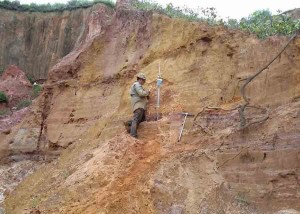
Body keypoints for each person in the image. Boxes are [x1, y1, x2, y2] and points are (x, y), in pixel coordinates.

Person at [125, 73, 150, 138]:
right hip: (139, 105)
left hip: (141, 106)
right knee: (136, 120)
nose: (144, 82)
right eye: (143, 80)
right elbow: (141, 93)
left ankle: (130, 126)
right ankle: (133, 135)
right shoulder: (137, 84)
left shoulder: (138, 85)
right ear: (140, 79)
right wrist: (147, 92)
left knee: (142, 119)